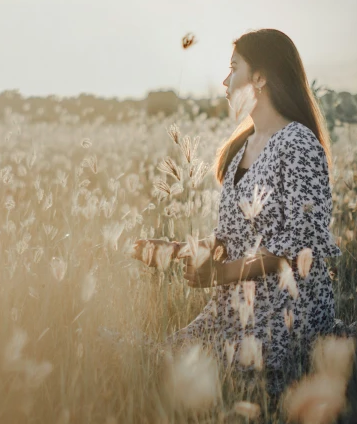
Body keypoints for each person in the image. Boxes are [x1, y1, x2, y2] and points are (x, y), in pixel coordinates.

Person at [133, 28, 343, 396]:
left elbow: (295, 247)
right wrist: (175, 250)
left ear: (260, 77)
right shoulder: (241, 147)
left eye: (234, 68)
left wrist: (220, 273)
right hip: (234, 308)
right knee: (154, 360)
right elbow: (231, 238)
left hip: (286, 311)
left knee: (235, 382)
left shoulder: (298, 143)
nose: (225, 80)